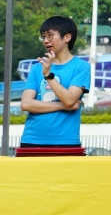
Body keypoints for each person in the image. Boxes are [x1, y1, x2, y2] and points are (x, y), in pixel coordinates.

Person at [15, 15, 88, 157]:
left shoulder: (81, 67)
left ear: (67, 37)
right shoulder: (37, 68)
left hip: (66, 141)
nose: (45, 40)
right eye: (43, 37)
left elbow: (69, 100)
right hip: (32, 140)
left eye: (50, 35)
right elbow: (26, 104)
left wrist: (48, 75)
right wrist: (62, 106)